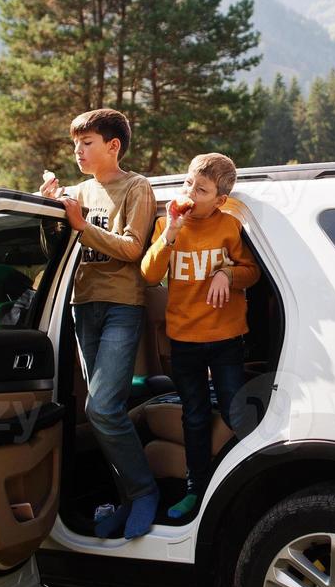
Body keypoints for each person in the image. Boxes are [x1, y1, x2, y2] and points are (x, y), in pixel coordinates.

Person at [40, 108, 161, 540]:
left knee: (102, 407)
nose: (78, 152)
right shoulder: (76, 192)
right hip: (81, 305)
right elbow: (58, 249)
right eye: (75, 145)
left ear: (113, 146)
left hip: (121, 305)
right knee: (104, 410)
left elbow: (131, 249)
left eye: (87, 143)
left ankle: (145, 492)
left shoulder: (136, 187)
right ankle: (126, 496)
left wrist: (78, 224)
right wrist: (52, 212)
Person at [139, 152, 259, 521]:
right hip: (185, 339)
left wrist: (228, 275)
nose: (190, 192)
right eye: (188, 183)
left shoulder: (228, 226)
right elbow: (149, 274)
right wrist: (171, 232)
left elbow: (251, 271)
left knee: (235, 408)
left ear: (220, 200)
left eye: (201, 189)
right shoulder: (167, 225)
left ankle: (246, 485)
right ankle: (196, 489)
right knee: (192, 415)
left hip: (225, 337)